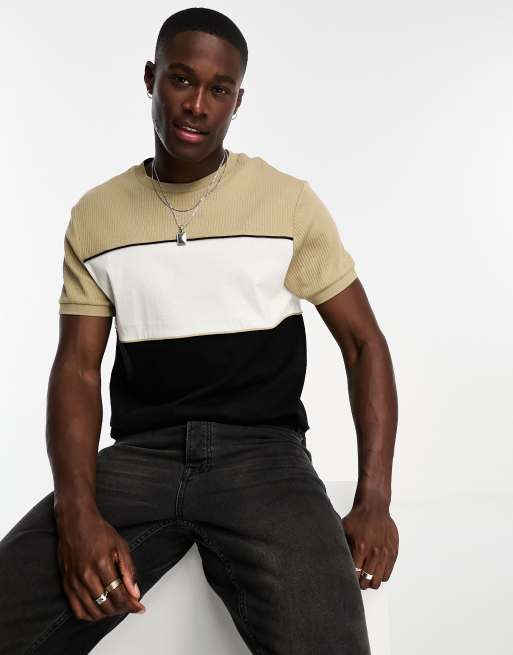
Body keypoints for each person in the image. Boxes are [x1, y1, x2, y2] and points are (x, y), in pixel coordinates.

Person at [0, 7, 399, 654]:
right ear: (150, 78)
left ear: (237, 100)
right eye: (181, 80)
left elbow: (363, 344)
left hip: (263, 458)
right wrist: (76, 511)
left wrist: (374, 499)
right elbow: (76, 369)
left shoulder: (286, 202)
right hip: (141, 458)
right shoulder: (98, 216)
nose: (196, 105)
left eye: (219, 89)